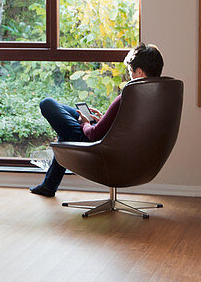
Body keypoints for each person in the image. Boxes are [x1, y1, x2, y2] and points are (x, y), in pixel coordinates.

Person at [30, 42, 164, 198]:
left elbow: (93, 135)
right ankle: (48, 186)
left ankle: (49, 186)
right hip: (128, 152)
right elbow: (127, 126)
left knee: (47, 104)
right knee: (69, 119)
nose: (130, 76)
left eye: (130, 71)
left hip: (98, 148)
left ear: (139, 72)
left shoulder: (128, 96)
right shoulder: (157, 96)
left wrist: (86, 124)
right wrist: (102, 120)